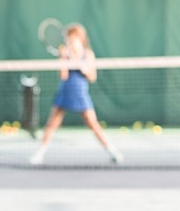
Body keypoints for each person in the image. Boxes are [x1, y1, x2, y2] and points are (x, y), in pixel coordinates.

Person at [29, 23, 124, 165]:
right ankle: (39, 154)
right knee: (52, 124)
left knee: (93, 124)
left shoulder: (88, 54)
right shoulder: (64, 53)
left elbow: (92, 77)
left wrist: (82, 67)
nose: (70, 41)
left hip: (81, 94)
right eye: (68, 39)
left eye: (72, 38)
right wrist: (64, 60)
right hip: (64, 92)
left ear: (81, 39)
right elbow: (63, 76)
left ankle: (112, 151)